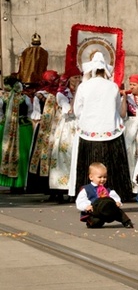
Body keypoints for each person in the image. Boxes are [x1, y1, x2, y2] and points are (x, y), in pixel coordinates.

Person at [68, 52, 132, 202]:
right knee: (112, 165)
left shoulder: (84, 87)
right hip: (111, 131)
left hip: (89, 132)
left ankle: (88, 195)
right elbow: (117, 110)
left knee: (90, 164)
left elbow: (77, 111)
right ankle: (116, 195)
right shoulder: (113, 86)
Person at [49, 70, 82, 201]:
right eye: (74, 77)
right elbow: (69, 111)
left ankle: (75, 188)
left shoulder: (82, 92)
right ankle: (61, 187)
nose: (77, 80)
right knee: (64, 155)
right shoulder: (61, 94)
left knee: (77, 156)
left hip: (79, 126)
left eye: (79, 77)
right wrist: (77, 95)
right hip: (67, 128)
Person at [26, 70, 60, 195]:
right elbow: (36, 114)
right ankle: (42, 186)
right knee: (43, 156)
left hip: (54, 127)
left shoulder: (60, 93)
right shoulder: (40, 95)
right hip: (44, 129)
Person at [0, 75, 35, 192]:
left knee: (7, 154)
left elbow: (0, 114)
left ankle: (10, 183)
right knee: (23, 155)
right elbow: (30, 112)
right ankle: (22, 183)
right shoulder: (24, 98)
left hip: (6, 129)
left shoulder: (3, 99)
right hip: (23, 128)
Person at [76, 162, 133, 229]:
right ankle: (91, 223)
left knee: (118, 212)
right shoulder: (87, 189)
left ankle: (127, 222)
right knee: (96, 221)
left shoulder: (107, 189)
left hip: (107, 209)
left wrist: (117, 202)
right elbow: (81, 200)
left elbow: (114, 196)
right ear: (91, 177)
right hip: (94, 211)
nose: (102, 179)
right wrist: (86, 206)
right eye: (100, 177)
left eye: (105, 177)